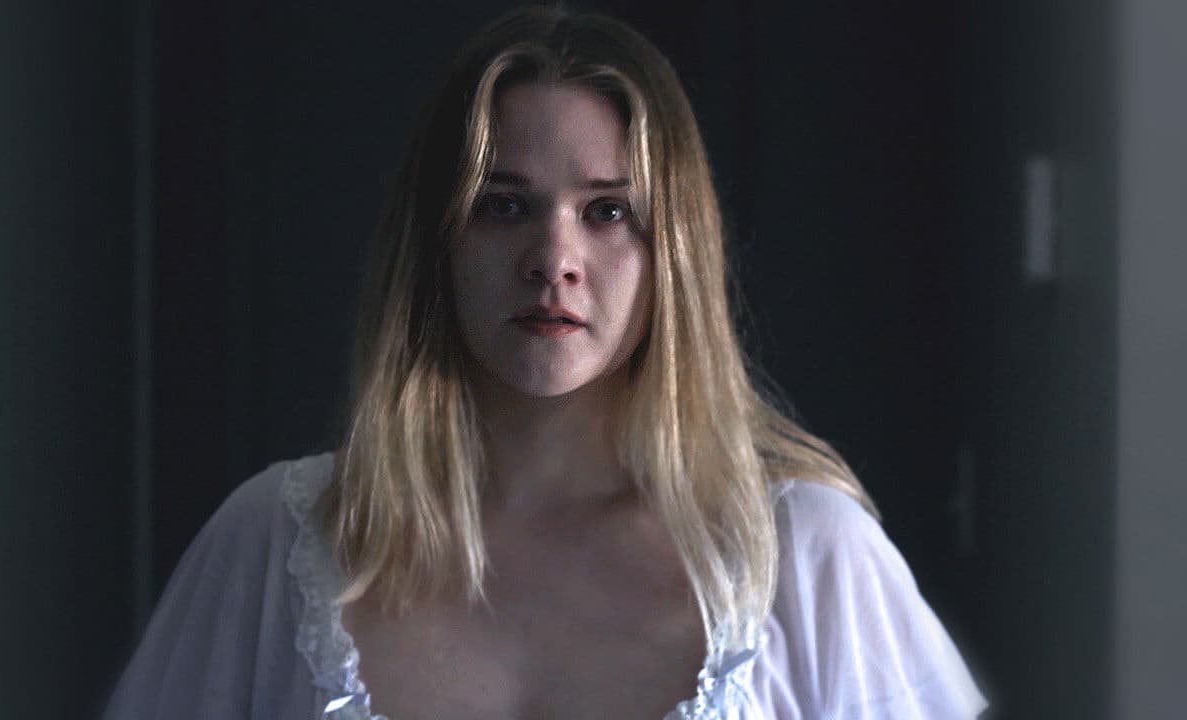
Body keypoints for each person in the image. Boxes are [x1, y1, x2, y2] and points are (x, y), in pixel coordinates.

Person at [103, 4, 988, 719]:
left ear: (673, 251)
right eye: (503, 206)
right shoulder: (274, 545)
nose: (553, 259)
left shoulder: (805, 557)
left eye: (607, 213)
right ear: (438, 243)